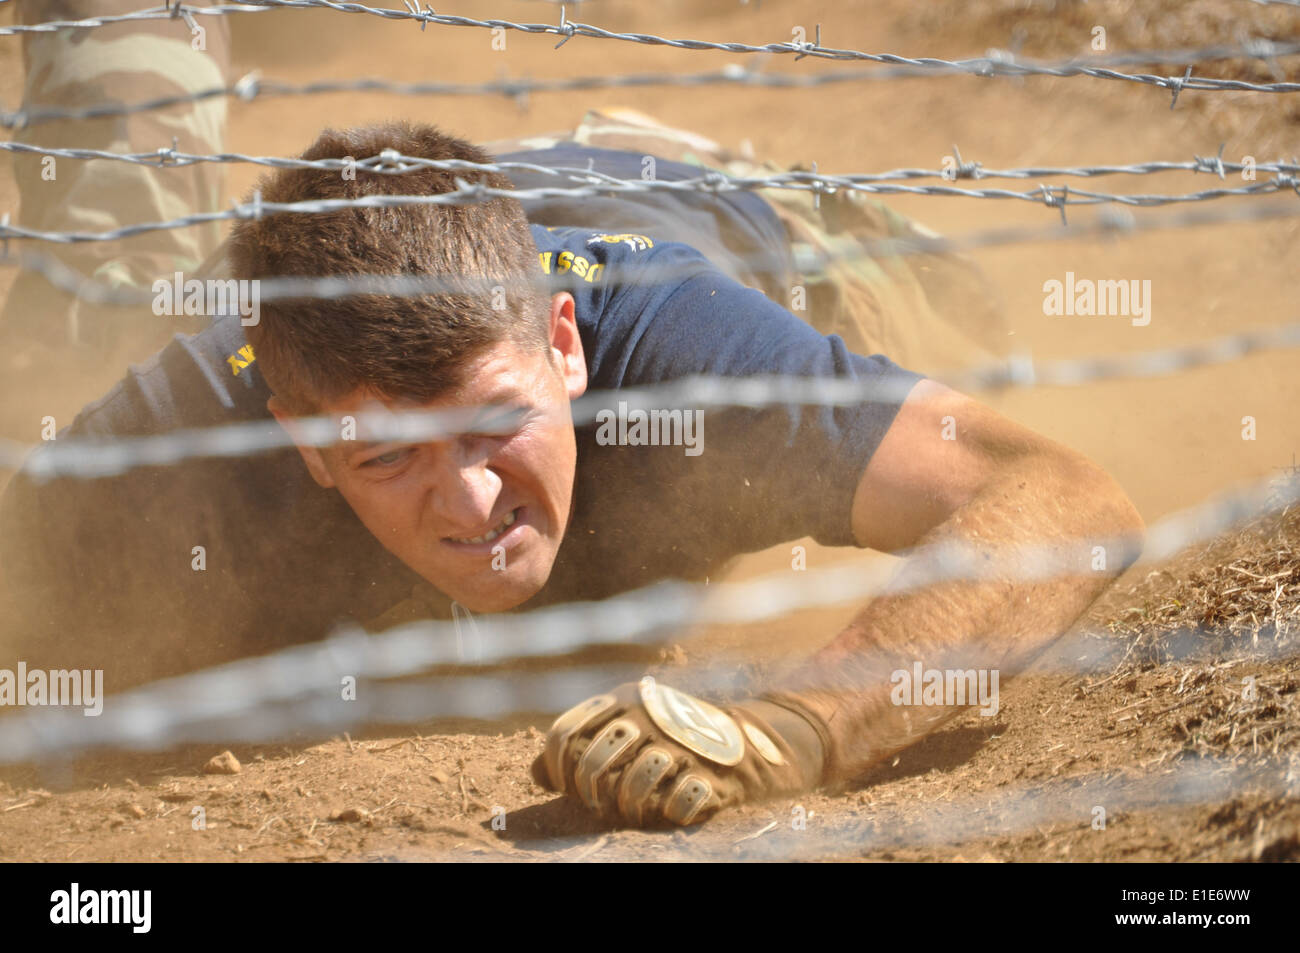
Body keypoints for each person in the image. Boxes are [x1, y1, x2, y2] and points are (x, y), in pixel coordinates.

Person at [0, 2, 1144, 827]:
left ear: (561, 346)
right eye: (389, 453)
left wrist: (798, 722)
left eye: (495, 421)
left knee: (962, 330)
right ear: (302, 438)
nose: (472, 499)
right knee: (88, 294)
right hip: (363, 274)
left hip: (706, 209)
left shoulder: (681, 353)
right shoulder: (175, 443)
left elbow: (1066, 499)